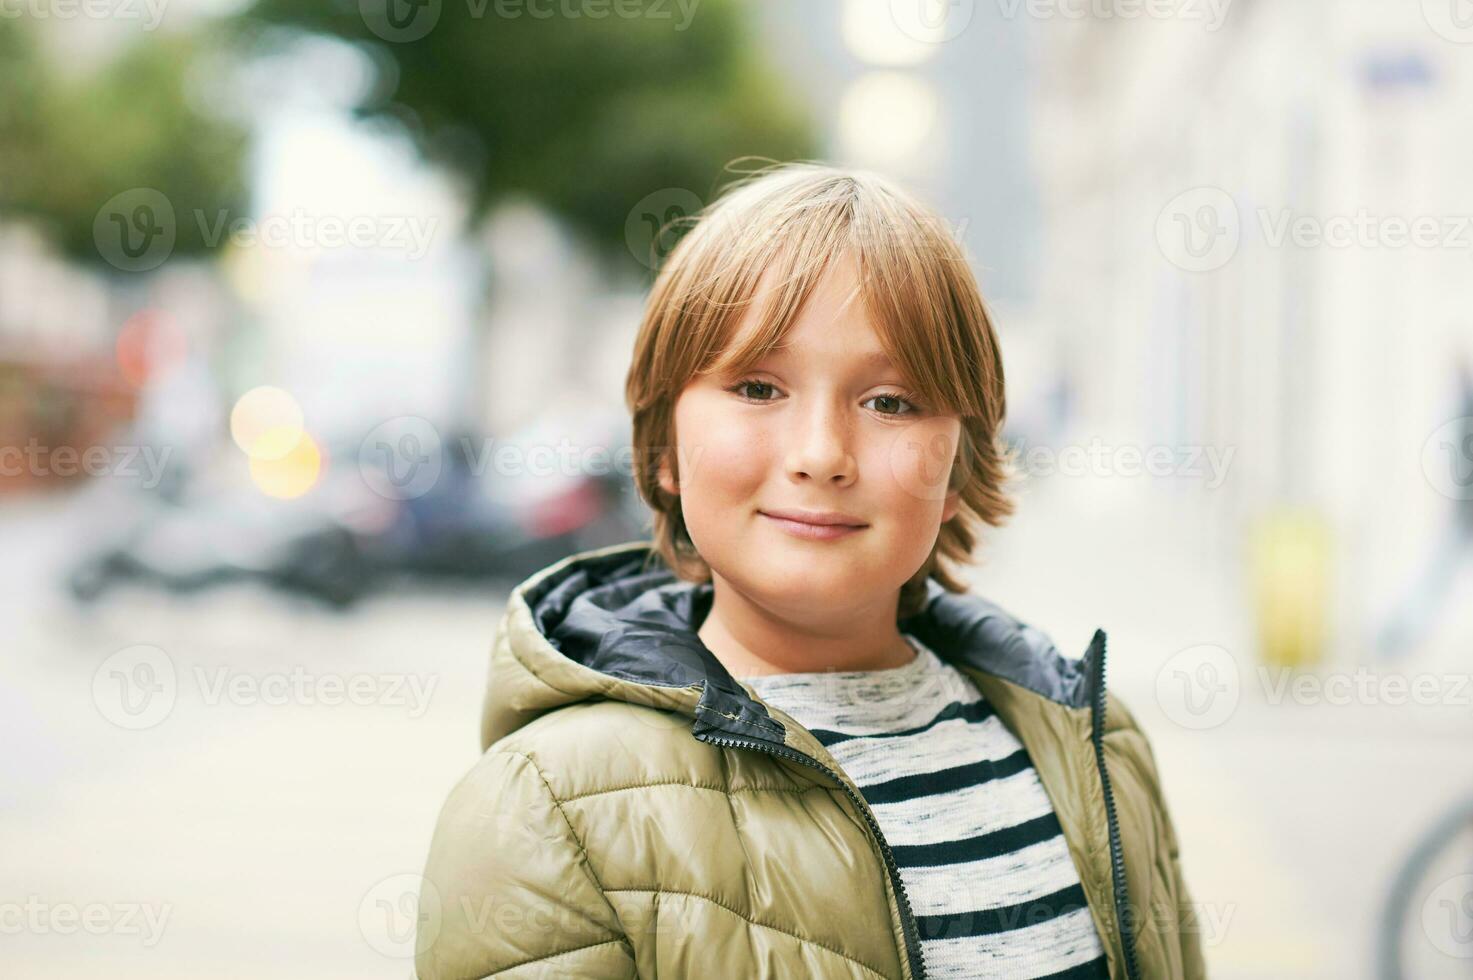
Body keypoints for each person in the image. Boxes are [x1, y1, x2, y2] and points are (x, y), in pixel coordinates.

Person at [414, 163, 1206, 979]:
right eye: (757, 387)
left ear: (958, 464)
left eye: (891, 402)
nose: (821, 454)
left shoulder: (1089, 742)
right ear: (664, 447)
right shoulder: (546, 811)